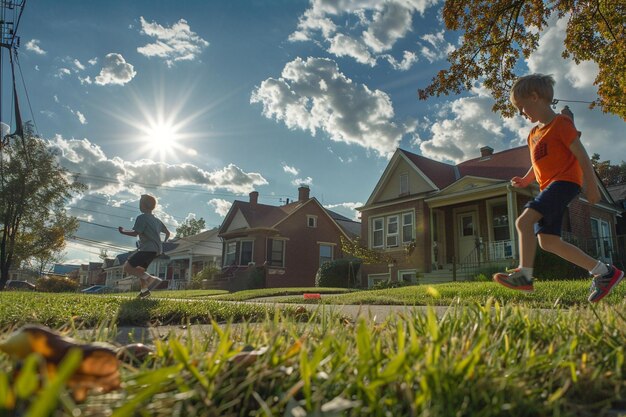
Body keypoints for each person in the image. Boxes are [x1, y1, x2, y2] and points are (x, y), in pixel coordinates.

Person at [493, 74, 623, 302]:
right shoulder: (533, 135)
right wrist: (525, 180)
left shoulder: (561, 124)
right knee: (548, 242)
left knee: (523, 221)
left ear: (535, 97)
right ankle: (605, 272)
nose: (522, 113)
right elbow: (537, 164)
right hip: (548, 188)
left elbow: (582, 155)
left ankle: (524, 275)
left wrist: (591, 186)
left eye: (522, 107)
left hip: (565, 182)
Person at [119, 194, 170, 299]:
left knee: (127, 267)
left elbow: (135, 232)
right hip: (156, 250)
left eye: (140, 203)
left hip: (147, 249)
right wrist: (162, 243)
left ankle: (151, 279)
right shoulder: (157, 220)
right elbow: (168, 233)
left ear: (143, 205)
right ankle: (144, 292)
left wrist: (123, 231)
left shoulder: (142, 218)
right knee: (140, 270)